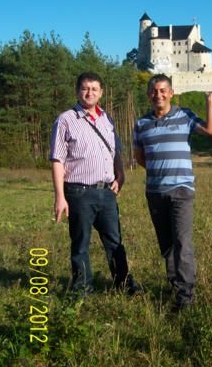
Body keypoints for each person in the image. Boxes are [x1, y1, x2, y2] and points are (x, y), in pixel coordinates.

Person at [133, 74, 212, 310]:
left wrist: (210, 100)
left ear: (171, 93)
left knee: (182, 243)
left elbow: (211, 130)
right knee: (167, 245)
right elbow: (140, 157)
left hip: (181, 191)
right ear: (148, 95)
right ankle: (175, 287)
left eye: (163, 90)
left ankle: (185, 298)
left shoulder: (185, 115)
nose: (158, 95)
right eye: (154, 91)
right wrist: (159, 170)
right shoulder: (141, 123)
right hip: (154, 192)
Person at [50, 72, 140, 296]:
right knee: (80, 244)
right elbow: (57, 159)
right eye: (85, 88)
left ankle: (124, 284)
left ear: (101, 93)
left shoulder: (107, 119)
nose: (89, 93)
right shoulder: (65, 120)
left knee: (115, 241)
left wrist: (121, 175)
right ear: (77, 91)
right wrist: (60, 196)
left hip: (107, 192)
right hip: (78, 192)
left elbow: (115, 151)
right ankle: (82, 289)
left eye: (94, 89)